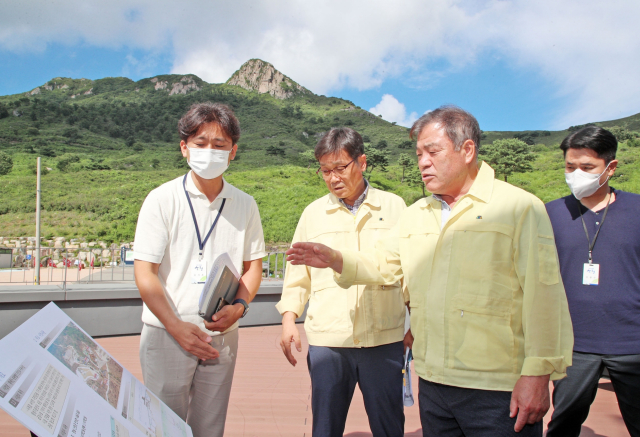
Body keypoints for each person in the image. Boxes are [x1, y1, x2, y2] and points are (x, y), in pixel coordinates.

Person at [286, 106, 574, 437]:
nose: (422, 161)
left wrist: (537, 375)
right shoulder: (416, 214)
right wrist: (338, 259)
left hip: (498, 388)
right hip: (434, 384)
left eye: (432, 151)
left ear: (467, 150)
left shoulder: (518, 207)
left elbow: (545, 297)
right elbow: (384, 265)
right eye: (419, 153)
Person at [133, 102, 265, 437]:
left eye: (219, 145)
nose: (210, 151)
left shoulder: (245, 204)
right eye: (200, 143)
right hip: (166, 335)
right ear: (184, 149)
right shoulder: (161, 200)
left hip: (221, 336)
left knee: (209, 427)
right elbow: (144, 273)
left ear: (233, 152)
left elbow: (253, 268)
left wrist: (239, 307)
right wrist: (176, 326)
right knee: (163, 427)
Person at [545, 126, 640, 437]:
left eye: (587, 167)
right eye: (569, 166)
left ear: (611, 167)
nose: (576, 173)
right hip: (572, 345)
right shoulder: (550, 213)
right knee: (562, 426)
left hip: (637, 345)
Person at [276, 127, 408, 437]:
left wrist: (418, 323)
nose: (333, 178)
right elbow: (297, 274)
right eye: (325, 171)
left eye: (341, 168)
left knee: (389, 425)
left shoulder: (395, 208)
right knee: (325, 426)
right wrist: (288, 319)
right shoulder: (312, 214)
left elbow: (409, 271)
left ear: (362, 162)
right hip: (328, 342)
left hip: (383, 339)